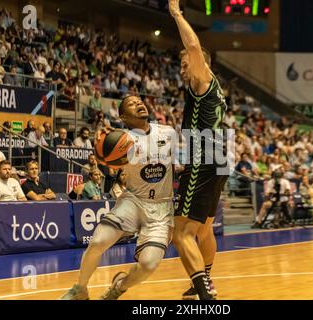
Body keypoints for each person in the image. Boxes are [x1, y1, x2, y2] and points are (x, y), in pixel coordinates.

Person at [61, 95, 175, 300]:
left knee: (149, 264)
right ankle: (80, 289)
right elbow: (106, 159)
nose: (139, 103)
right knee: (97, 242)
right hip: (134, 200)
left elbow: (176, 166)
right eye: (132, 104)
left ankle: (118, 288)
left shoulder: (168, 133)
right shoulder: (120, 139)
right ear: (123, 116)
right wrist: (101, 149)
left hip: (162, 207)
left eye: (139, 101)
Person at [170, 0, 228, 300]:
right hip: (219, 159)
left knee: (180, 233)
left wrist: (176, 13)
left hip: (205, 159)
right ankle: (205, 280)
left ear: (198, 62)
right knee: (203, 231)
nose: (181, 69)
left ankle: (205, 293)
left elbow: (193, 44)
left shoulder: (204, 79)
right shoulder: (207, 89)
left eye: (184, 63)